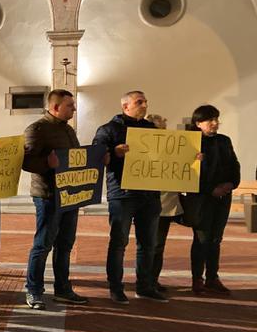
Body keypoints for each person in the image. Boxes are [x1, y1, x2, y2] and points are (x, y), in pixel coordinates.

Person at [93, 91, 166, 304]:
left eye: (145, 102)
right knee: (119, 242)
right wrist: (114, 152)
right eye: (139, 102)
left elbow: (164, 157)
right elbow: (97, 157)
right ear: (125, 106)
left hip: (150, 194)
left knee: (148, 243)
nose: (144, 105)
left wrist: (190, 156)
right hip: (122, 195)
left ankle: (145, 286)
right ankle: (116, 287)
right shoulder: (108, 130)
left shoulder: (151, 129)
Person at [22, 90, 89, 310]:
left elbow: (75, 158)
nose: (74, 108)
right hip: (48, 196)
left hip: (70, 194)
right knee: (43, 244)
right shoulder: (37, 129)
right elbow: (26, 162)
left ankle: (63, 289)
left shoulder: (68, 130)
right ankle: (34, 291)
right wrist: (46, 164)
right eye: (70, 105)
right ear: (56, 107)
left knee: (66, 244)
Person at [186, 105, 239, 295]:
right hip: (201, 198)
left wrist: (230, 184)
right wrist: (210, 189)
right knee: (202, 238)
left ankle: (212, 277)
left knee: (216, 238)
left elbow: (234, 165)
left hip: (223, 196)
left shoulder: (224, 141)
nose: (215, 123)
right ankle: (197, 279)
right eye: (210, 120)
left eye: (217, 119)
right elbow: (188, 174)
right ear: (198, 123)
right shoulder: (190, 142)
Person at [146, 114, 181, 293]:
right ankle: (145, 280)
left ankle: (153, 280)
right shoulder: (141, 150)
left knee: (159, 245)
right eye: (157, 130)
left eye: (163, 130)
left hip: (166, 203)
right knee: (147, 245)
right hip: (147, 203)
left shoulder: (173, 149)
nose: (161, 134)